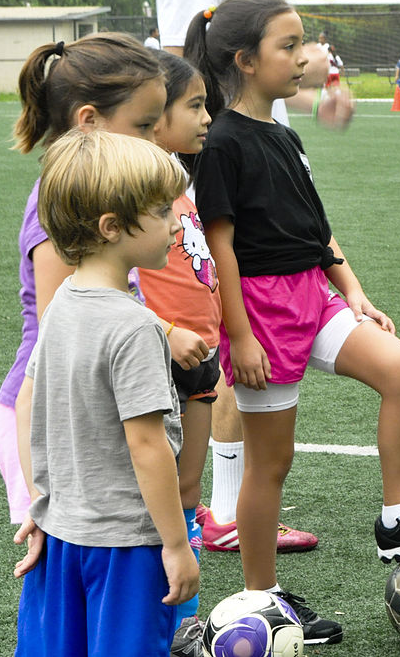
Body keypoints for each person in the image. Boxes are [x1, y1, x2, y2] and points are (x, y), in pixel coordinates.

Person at [187, 0, 400, 645]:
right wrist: (237, 334)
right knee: (274, 463)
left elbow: (318, 230)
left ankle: (398, 518)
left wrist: (354, 290)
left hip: (314, 295)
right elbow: (222, 248)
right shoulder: (222, 142)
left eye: (303, 44)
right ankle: (261, 598)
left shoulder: (285, 135)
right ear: (244, 59)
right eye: (288, 46)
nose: (305, 57)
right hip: (260, 310)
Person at [156, 0, 340, 554]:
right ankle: (209, 511)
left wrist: (305, 84)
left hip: (259, 166)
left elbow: (244, 73)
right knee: (230, 342)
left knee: (242, 351)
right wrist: (213, 169)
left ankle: (225, 511)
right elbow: (180, 72)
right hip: (221, 177)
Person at [13, 129, 198, 656]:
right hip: (126, 546)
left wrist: (41, 503)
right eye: (163, 211)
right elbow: (146, 446)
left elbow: (29, 405)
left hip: (61, 536)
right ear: (112, 228)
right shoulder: (136, 327)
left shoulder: (61, 306)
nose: (177, 222)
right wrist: (176, 544)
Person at [0, 35, 176, 531]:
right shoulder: (58, 214)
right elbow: (68, 322)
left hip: (82, 408)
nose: (155, 139)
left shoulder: (99, 199)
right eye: (143, 126)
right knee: (58, 566)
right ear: (89, 120)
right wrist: (166, 333)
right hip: (48, 416)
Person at [137, 52, 220, 641]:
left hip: (203, 355)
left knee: (190, 485)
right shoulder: (139, 180)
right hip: (159, 360)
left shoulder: (181, 177)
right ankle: (152, 609)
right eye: (193, 106)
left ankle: (181, 621)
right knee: (157, 492)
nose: (207, 117)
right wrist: (168, 332)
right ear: (153, 117)